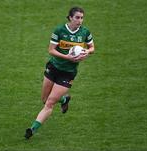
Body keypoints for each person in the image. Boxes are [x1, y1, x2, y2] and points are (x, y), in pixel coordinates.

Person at [24, 6, 95, 139]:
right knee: (44, 99)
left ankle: (32, 129)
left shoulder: (85, 32)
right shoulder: (59, 31)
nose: (80, 20)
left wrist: (87, 52)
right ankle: (64, 99)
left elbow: (92, 47)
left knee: (50, 102)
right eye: (77, 17)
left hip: (68, 73)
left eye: (82, 18)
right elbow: (51, 50)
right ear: (70, 18)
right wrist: (67, 57)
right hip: (53, 67)